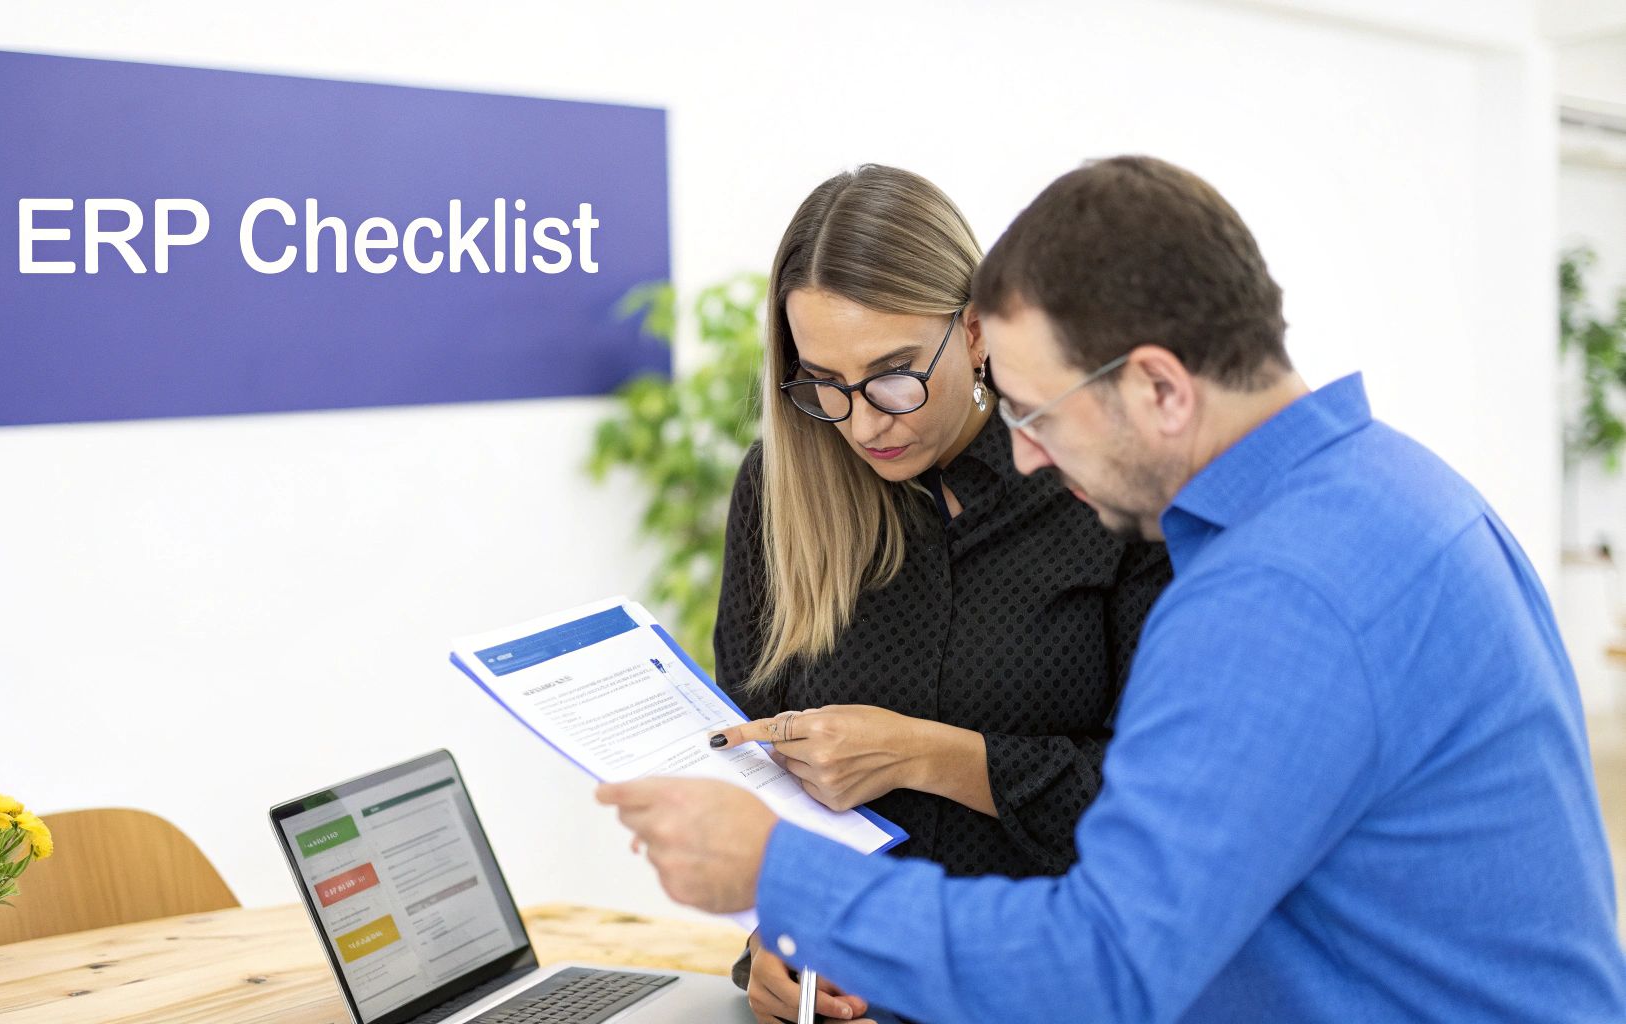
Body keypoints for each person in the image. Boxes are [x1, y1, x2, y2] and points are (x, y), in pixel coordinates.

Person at [599, 156, 1626, 1022]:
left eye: (1039, 414)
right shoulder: (1397, 493)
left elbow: (1107, 964)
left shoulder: (1275, 595)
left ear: (1158, 387)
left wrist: (782, 876)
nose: (1030, 459)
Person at [711, 164, 1168, 1022]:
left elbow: (1163, 811)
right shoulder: (778, 492)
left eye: (891, 374)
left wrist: (935, 757)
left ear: (975, 329)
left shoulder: (1099, 490)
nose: (863, 422)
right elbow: (755, 770)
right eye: (824, 384)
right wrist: (768, 939)